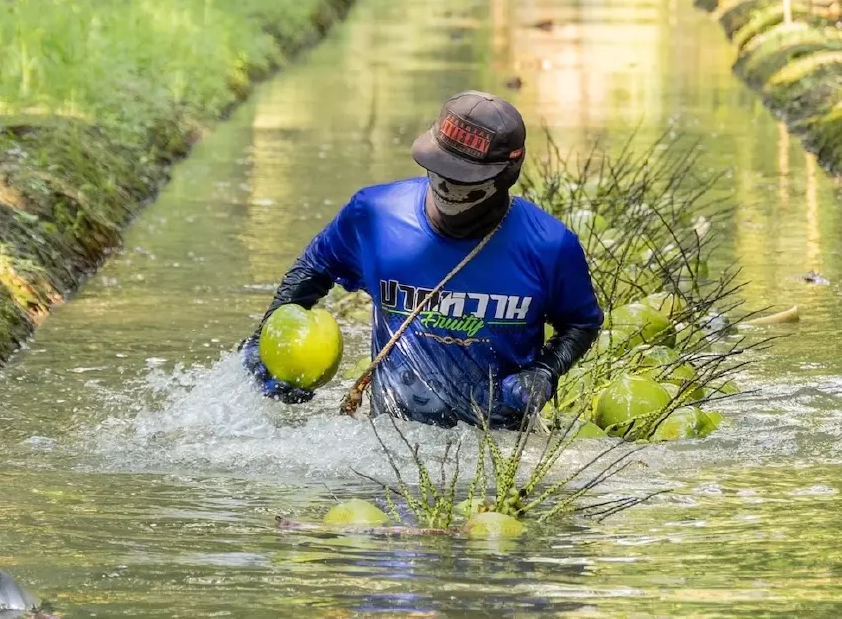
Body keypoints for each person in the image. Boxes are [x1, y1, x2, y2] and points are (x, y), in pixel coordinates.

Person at [241, 90, 603, 429]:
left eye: (463, 178)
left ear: (506, 174)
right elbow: (313, 270)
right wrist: (264, 346)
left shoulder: (550, 246)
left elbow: (581, 323)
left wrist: (545, 372)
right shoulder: (374, 215)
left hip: (497, 441)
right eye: (439, 168)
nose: (446, 185)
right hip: (388, 438)